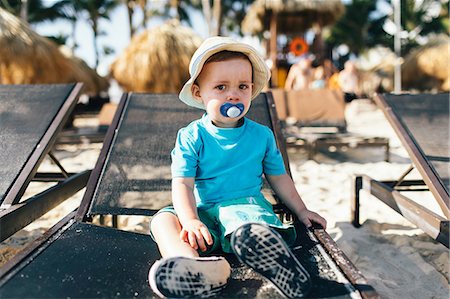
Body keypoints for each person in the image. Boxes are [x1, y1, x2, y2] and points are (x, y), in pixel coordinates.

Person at [148, 36, 327, 299]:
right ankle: (191, 265)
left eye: (242, 86)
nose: (233, 94)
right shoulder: (191, 136)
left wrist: (301, 210)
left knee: (248, 229)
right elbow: (183, 184)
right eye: (220, 87)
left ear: (251, 90)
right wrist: (190, 221)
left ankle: (274, 263)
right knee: (163, 220)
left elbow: (279, 177)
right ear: (199, 93)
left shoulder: (261, 136)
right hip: (203, 216)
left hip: (245, 210)